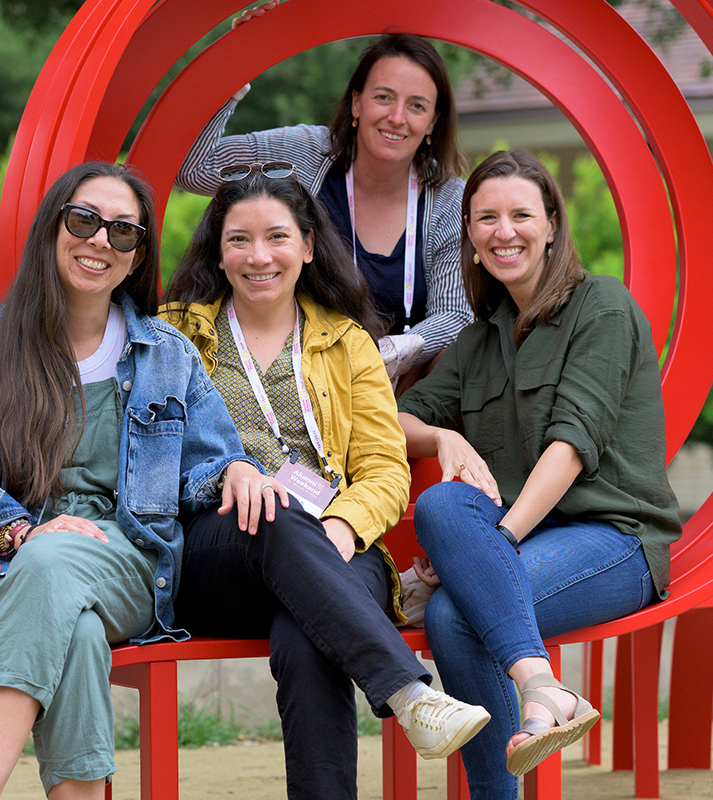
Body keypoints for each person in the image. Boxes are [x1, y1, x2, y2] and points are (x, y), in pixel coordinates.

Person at [0, 161, 271, 800]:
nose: (101, 241)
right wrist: (17, 528)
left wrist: (239, 467)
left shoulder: (166, 354)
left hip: (123, 564)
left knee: (57, 565)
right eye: (85, 220)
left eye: (124, 233)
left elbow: (210, 460)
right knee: (71, 629)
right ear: (54, 228)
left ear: (136, 257)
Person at [161, 170, 490, 800]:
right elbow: (149, 455)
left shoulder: (347, 341)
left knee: (307, 634)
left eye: (277, 237)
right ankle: (407, 690)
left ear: (309, 246)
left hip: (337, 549)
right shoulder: (175, 335)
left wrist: (342, 524)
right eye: (240, 240)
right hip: (216, 553)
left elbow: (385, 468)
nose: (259, 256)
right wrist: (230, 478)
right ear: (218, 250)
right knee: (279, 513)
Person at [396, 150, 682, 799]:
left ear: (552, 224)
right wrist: (442, 435)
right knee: (444, 510)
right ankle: (543, 690)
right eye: (486, 217)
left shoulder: (601, 306)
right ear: (469, 234)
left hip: (615, 538)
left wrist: (492, 548)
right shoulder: (478, 340)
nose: (504, 231)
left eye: (521, 214)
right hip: (526, 538)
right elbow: (396, 421)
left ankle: (520, 736)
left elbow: (572, 446)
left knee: (453, 614)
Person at [176, 14, 472, 383]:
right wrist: (236, 67)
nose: (397, 117)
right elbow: (193, 168)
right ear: (356, 103)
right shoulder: (306, 153)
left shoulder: (450, 199)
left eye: (416, 106)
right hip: (294, 374)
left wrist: (388, 353)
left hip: (400, 386)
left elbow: (455, 316)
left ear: (432, 122)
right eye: (383, 97)